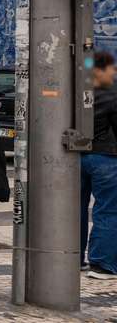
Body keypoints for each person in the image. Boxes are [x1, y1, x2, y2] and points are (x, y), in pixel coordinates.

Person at [83, 50, 117, 279]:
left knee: (73, 210)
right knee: (107, 209)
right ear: (100, 69)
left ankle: (71, 257)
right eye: (111, 68)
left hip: (76, 155)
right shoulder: (111, 94)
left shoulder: (77, 91)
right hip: (105, 157)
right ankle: (102, 264)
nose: (114, 73)